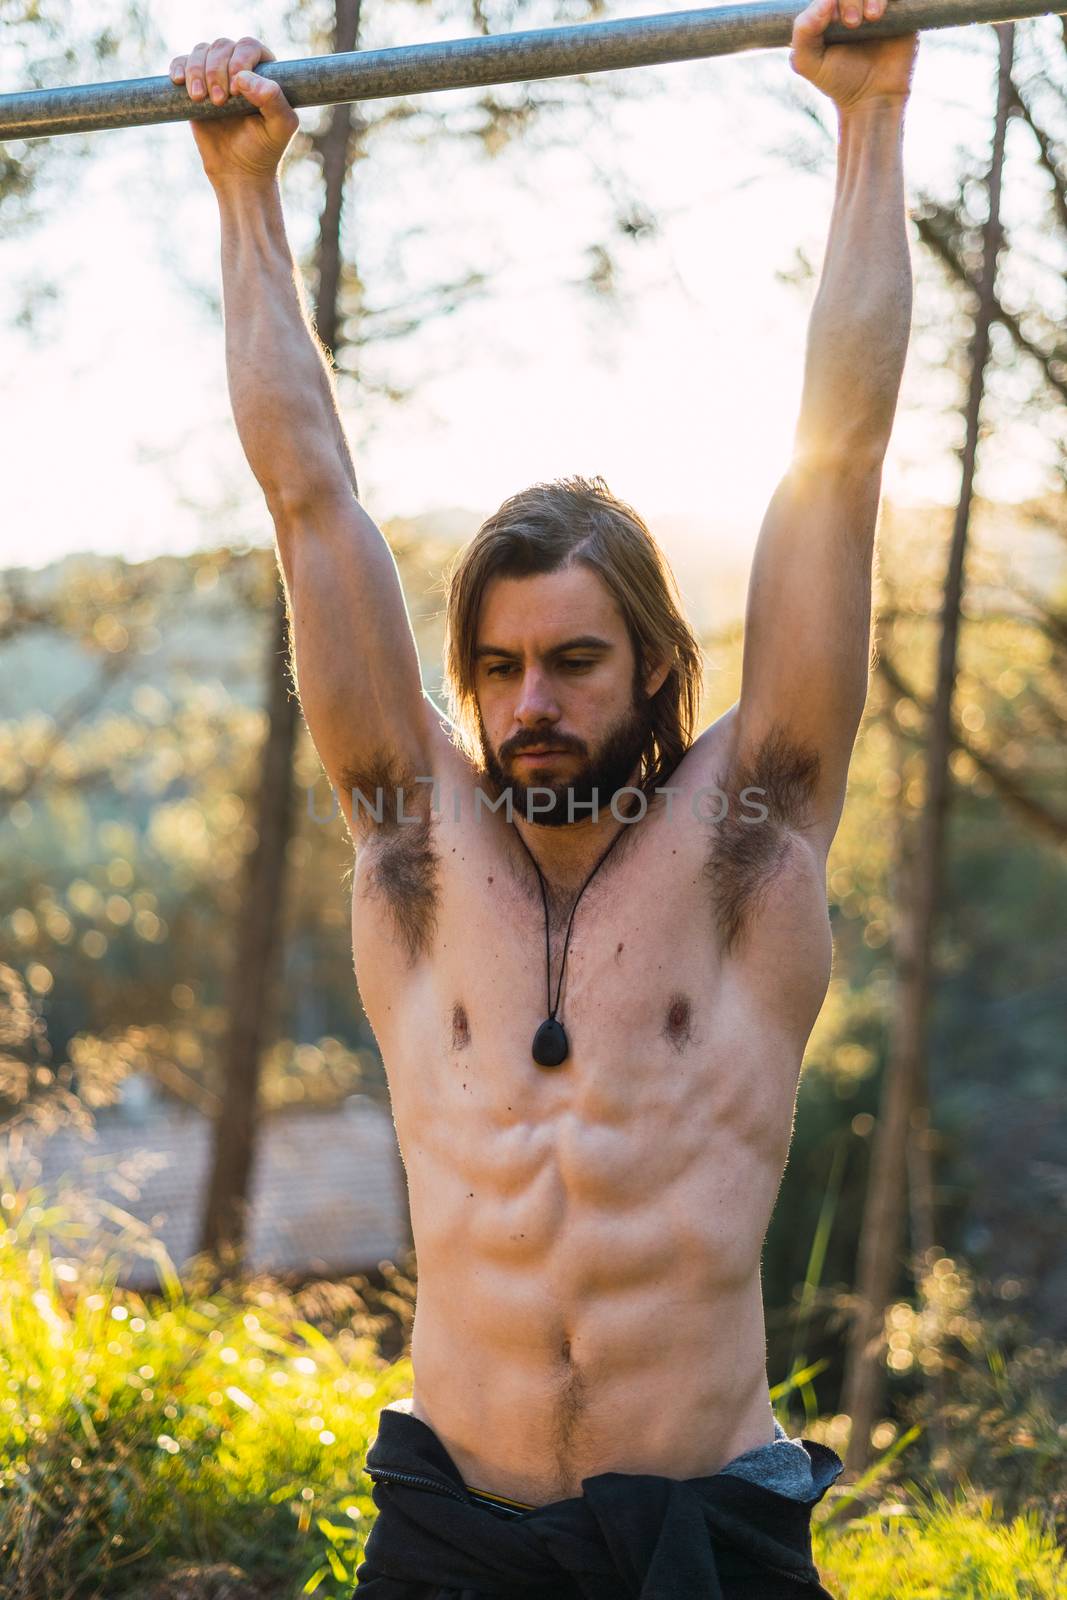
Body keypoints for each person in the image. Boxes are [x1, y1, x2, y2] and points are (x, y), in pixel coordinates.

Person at [170, 0, 916, 1591]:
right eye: (498, 669)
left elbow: (840, 470)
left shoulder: (749, 846)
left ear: (655, 666)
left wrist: (868, 121)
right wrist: (246, 195)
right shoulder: (415, 851)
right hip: (455, 1536)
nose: (530, 706)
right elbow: (310, 500)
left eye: (574, 661)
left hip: (699, 1531)